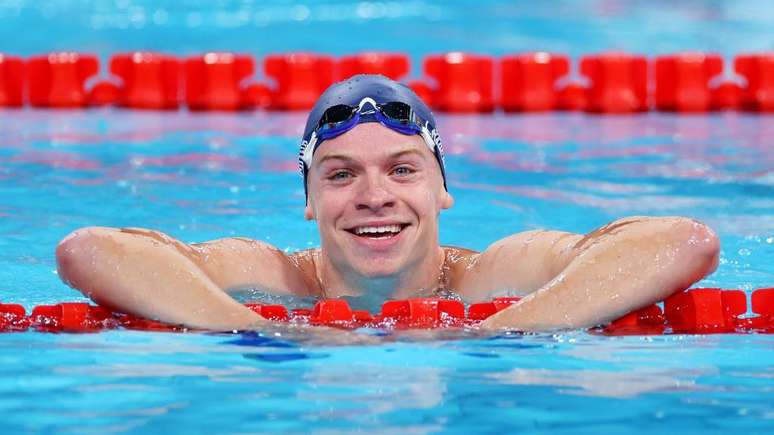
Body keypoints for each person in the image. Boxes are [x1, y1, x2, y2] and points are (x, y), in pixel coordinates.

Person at [55, 74, 720, 332]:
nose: (375, 197)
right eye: (340, 174)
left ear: (442, 189)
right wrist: (263, 328)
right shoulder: (276, 278)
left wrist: (496, 330)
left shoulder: (486, 275)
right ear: (309, 202)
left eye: (402, 169)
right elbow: (91, 251)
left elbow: (683, 241)